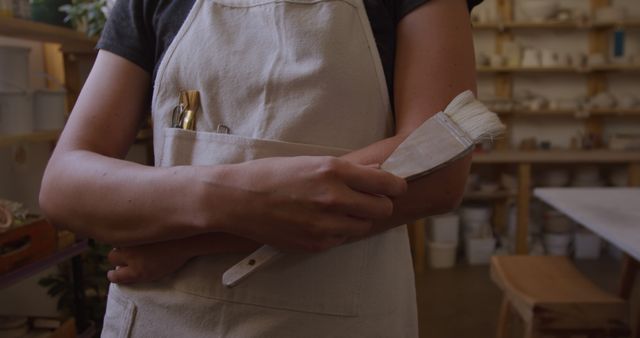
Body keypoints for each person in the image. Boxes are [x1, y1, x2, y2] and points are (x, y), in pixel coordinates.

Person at [40, 0, 482, 336]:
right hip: (161, 316)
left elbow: (439, 162)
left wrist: (191, 242)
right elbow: (64, 185)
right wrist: (232, 196)